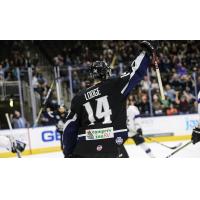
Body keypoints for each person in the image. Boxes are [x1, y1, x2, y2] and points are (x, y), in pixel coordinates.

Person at [62, 41, 157, 158]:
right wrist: (146, 54)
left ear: (92, 75)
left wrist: (68, 153)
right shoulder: (115, 86)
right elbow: (135, 72)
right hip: (112, 145)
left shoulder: (79, 97)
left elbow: (69, 128)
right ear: (107, 73)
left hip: (85, 148)